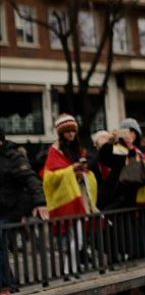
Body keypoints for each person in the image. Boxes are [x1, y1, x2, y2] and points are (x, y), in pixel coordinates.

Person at [42, 115, 99, 276]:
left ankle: (70, 270)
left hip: (79, 199)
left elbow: (84, 173)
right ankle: (70, 270)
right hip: (67, 201)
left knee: (79, 239)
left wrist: (81, 173)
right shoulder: (55, 151)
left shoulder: (78, 149)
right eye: (67, 131)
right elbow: (49, 178)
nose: (71, 134)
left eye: (73, 131)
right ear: (61, 133)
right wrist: (71, 170)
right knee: (74, 239)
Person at [1, 128, 48, 292]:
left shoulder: (14, 157)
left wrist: (40, 202)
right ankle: (9, 283)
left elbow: (31, 179)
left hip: (13, 208)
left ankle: (6, 285)